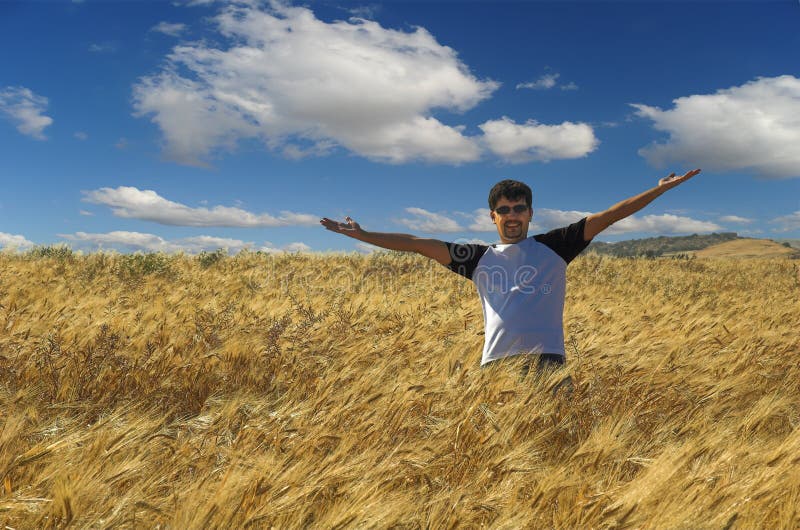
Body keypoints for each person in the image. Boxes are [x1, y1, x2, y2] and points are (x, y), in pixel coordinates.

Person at [320, 169, 701, 373]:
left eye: (519, 208)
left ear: (530, 213)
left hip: (549, 363)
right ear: (493, 216)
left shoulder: (556, 246)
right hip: (497, 366)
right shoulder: (477, 258)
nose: (512, 215)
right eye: (503, 210)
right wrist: (364, 235)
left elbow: (611, 216)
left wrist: (659, 191)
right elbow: (418, 243)